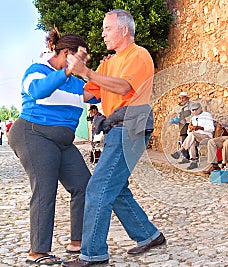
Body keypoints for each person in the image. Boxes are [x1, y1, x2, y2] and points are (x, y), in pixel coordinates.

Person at [62, 9, 165, 267]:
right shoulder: (108, 63)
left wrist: (86, 71)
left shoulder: (139, 55)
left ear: (124, 30)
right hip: (116, 126)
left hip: (132, 123)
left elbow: (123, 87)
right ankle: (148, 235)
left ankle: (93, 255)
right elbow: (88, 94)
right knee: (115, 187)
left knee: (98, 188)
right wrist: (60, 76)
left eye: (107, 29)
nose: (103, 33)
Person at [8, 28, 91, 265]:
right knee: (45, 189)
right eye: (81, 57)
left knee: (83, 185)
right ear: (66, 53)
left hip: (63, 141)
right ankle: (38, 251)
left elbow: (97, 95)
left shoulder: (74, 83)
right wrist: (66, 71)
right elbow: (38, 90)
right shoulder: (37, 70)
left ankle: (78, 240)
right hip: (33, 134)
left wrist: (101, 73)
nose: (83, 63)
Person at [170, 102, 214, 170]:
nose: (194, 111)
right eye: (193, 110)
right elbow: (189, 132)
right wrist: (190, 129)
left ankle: (180, 150)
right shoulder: (193, 118)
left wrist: (199, 127)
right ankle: (194, 162)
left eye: (196, 109)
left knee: (192, 135)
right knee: (191, 141)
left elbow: (212, 129)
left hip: (206, 136)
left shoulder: (207, 115)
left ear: (200, 108)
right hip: (195, 137)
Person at [170, 92, 194, 158]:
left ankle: (192, 155)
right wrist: (178, 120)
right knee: (183, 138)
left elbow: (194, 114)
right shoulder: (178, 107)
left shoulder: (191, 105)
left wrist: (186, 120)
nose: (182, 99)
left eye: (183, 97)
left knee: (190, 139)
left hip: (190, 124)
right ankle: (185, 156)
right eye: (180, 98)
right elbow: (175, 117)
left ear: (186, 98)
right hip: (182, 125)